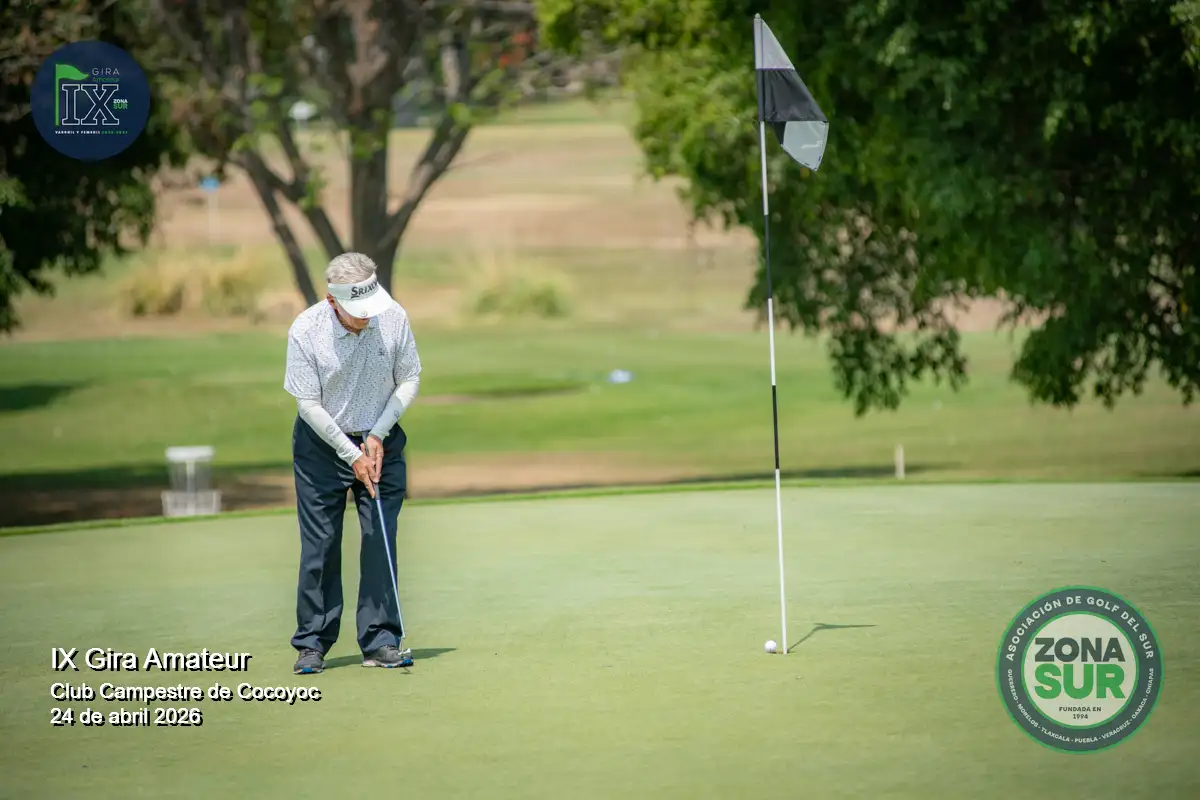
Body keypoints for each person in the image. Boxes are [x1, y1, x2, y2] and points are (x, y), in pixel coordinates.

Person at [282, 252, 421, 674]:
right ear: (332, 300)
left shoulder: (392, 317)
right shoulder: (306, 330)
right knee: (321, 544)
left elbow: (409, 377)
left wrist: (377, 435)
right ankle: (312, 643)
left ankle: (380, 640)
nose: (367, 316)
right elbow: (308, 404)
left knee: (380, 536)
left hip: (380, 439)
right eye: (357, 310)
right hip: (322, 446)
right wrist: (351, 453)